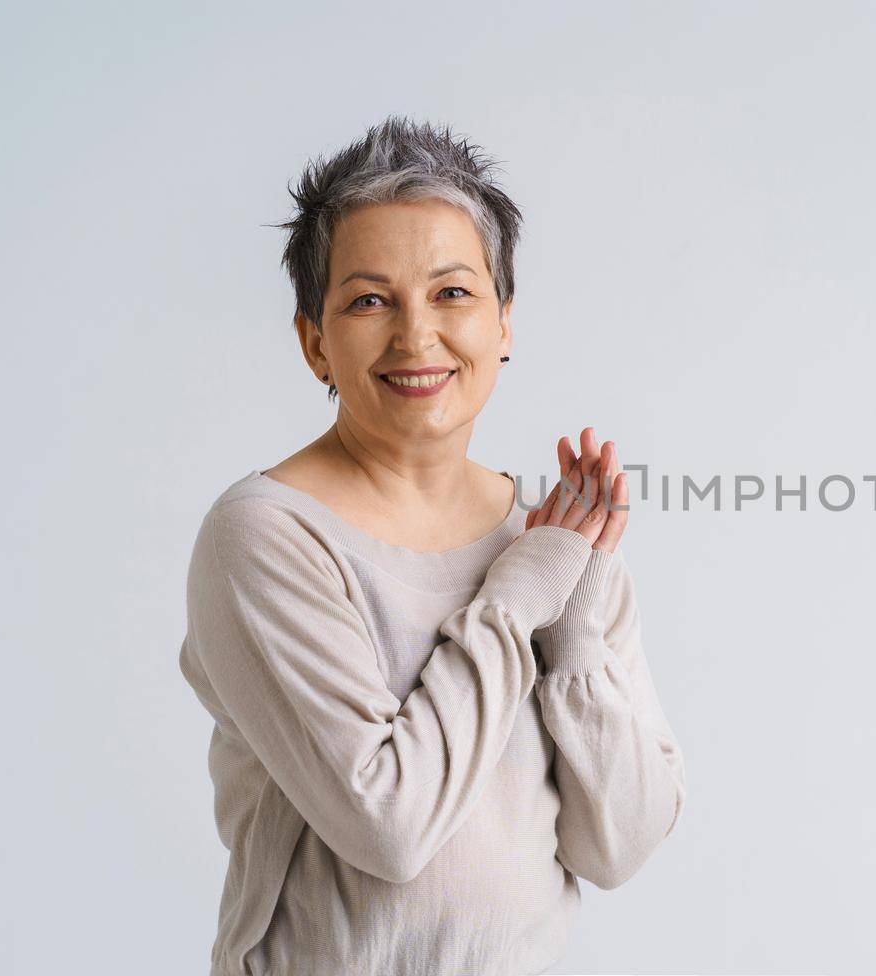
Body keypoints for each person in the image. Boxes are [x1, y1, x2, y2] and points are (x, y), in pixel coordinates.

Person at [176, 115, 686, 976]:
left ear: (504, 324)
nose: (417, 336)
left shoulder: (558, 537)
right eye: (369, 299)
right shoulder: (266, 534)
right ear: (314, 344)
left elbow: (619, 846)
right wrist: (521, 598)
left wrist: (573, 636)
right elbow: (389, 825)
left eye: (453, 292)